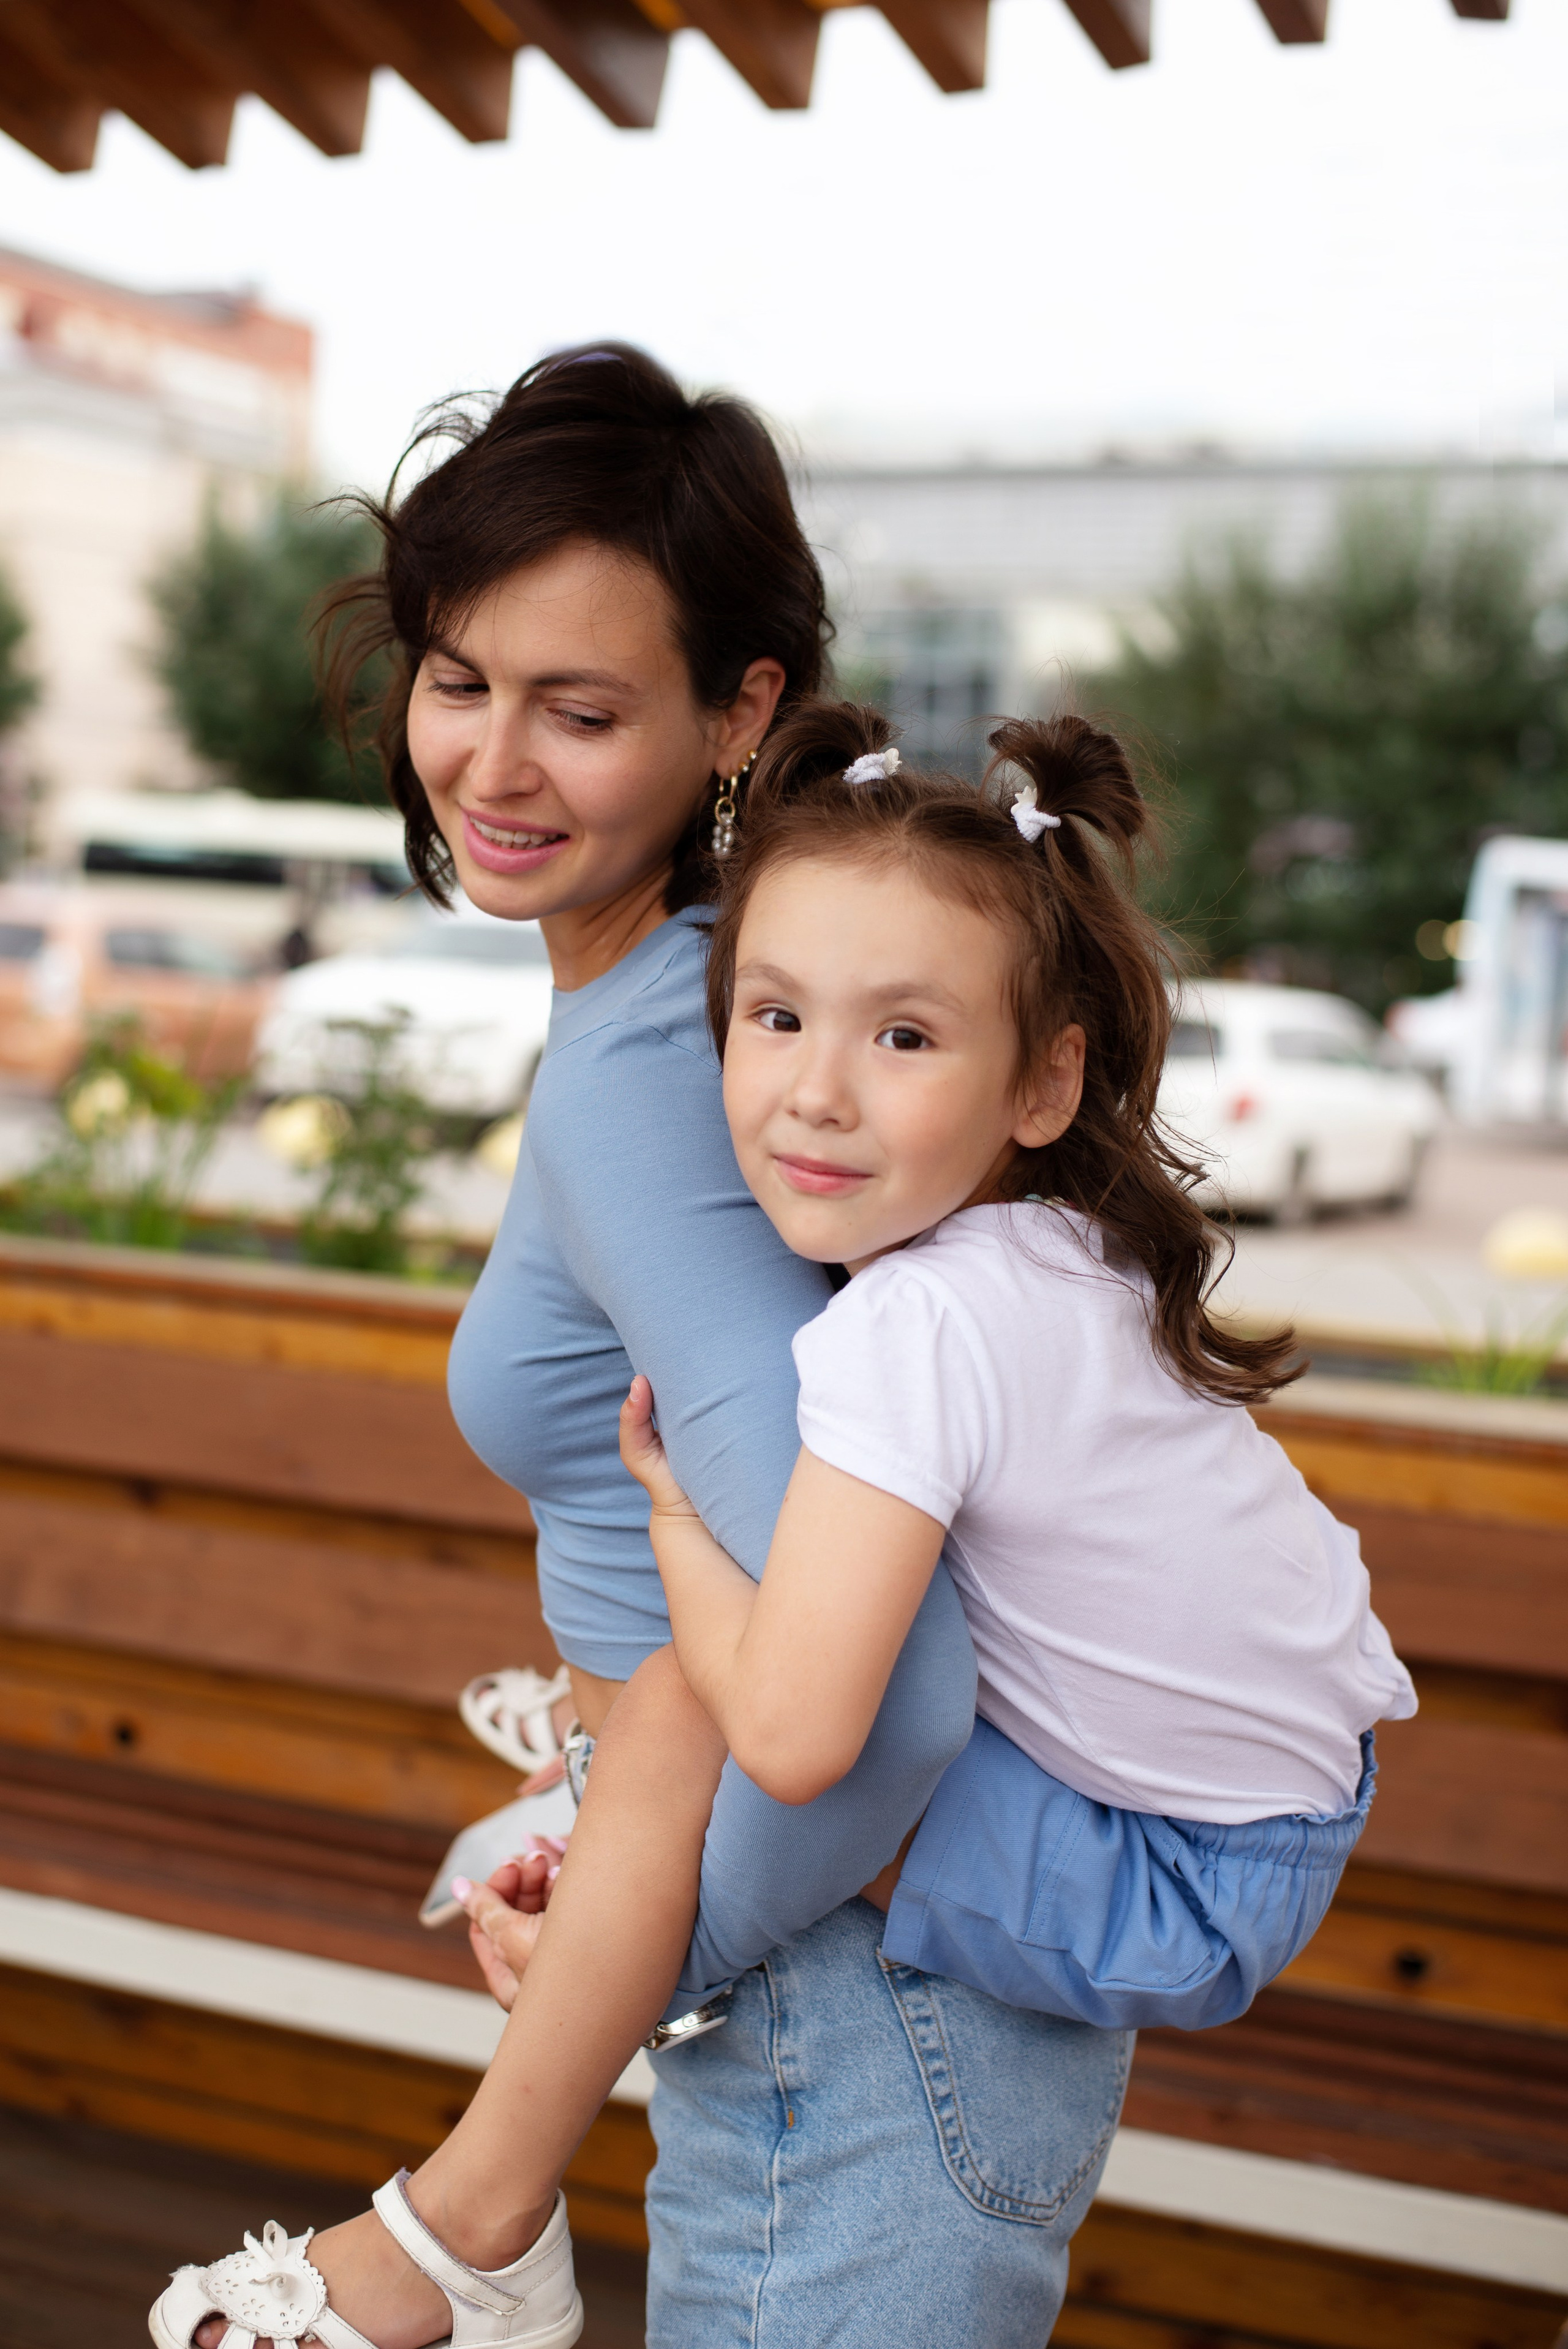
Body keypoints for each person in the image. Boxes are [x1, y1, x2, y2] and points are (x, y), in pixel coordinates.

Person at [153, 348, 1131, 2349]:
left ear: (738, 711)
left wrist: (653, 1946)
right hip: (851, 1988)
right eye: (458, 679)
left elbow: (885, 1685)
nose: (491, 767)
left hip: (849, 2023)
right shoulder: (720, 1010)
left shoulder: (681, 1057)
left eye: (579, 710)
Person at [439, 696, 1414, 2288]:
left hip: (1170, 1866)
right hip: (1265, 1803)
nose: (819, 1090)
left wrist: (678, 1522)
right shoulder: (1047, 1252)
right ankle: (589, 1879)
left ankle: (528, 2106)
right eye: (774, 1016)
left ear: (1041, 1085)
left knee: (717, 1679)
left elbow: (809, 1733)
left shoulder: (915, 1322)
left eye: (902, 1037)